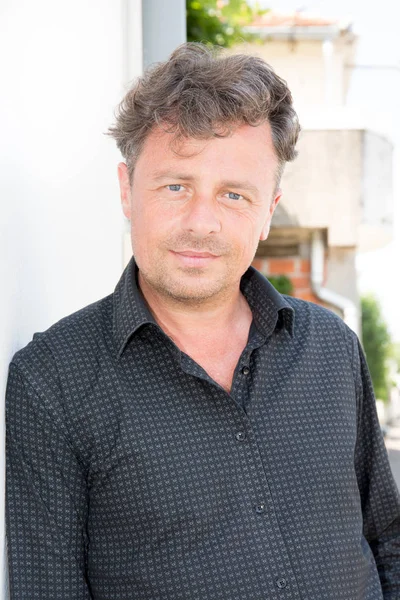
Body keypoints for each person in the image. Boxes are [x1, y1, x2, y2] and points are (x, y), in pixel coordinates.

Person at [5, 42, 400, 600]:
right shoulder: (53, 381)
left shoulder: (332, 349)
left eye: (234, 194)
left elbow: (387, 539)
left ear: (268, 210)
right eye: (175, 186)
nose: (202, 223)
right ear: (126, 190)